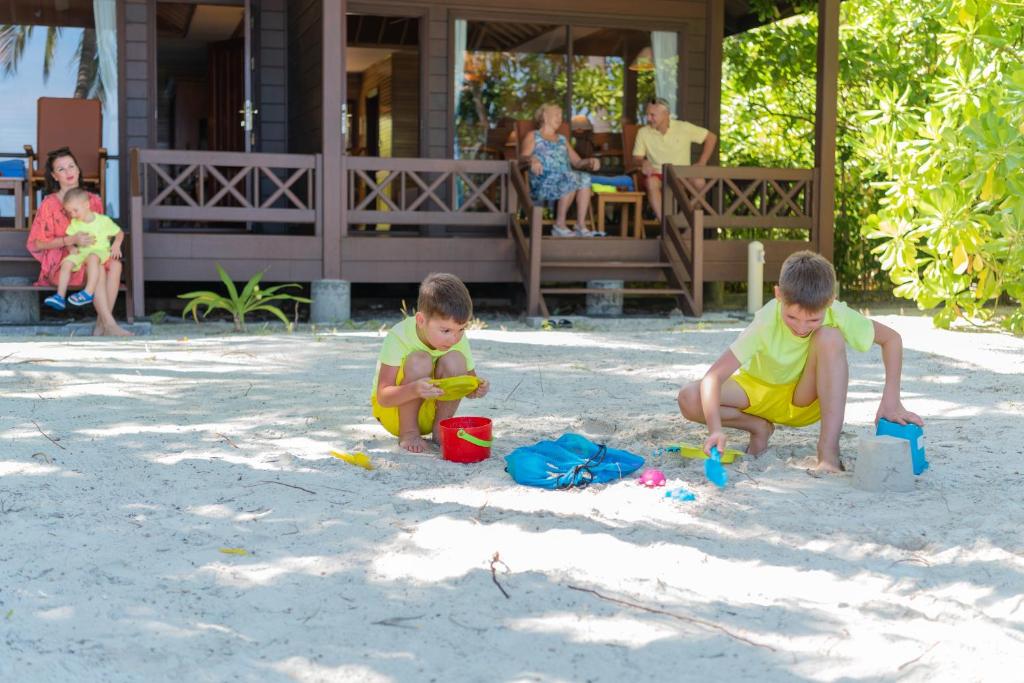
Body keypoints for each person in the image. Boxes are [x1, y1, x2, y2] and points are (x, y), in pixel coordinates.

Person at [677, 251, 922, 473]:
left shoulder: (836, 312)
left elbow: (892, 339)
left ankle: (828, 451)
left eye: (813, 320)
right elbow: (713, 377)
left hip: (805, 398)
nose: (801, 327)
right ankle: (759, 428)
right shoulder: (766, 320)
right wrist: (716, 430)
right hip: (758, 392)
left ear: (829, 301)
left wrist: (891, 400)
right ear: (778, 295)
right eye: (792, 317)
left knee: (829, 335)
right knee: (689, 397)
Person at [372, 273, 490, 453]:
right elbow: (383, 397)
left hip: (432, 412)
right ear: (421, 320)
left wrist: (477, 388)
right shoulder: (399, 336)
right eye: (446, 330)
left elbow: (468, 384)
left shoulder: (456, 338)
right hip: (395, 413)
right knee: (420, 359)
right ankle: (409, 432)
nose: (454, 338)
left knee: (456, 359)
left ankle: (441, 430)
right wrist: (414, 389)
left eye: (461, 329)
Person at [26, 147, 131, 336]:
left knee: (115, 265)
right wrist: (70, 240)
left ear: (78, 170)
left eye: (71, 166)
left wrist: (112, 244)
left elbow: (102, 231)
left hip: (92, 253)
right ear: (54, 176)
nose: (68, 172)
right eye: (61, 169)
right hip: (64, 263)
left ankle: (101, 325)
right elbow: (37, 244)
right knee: (97, 266)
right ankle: (110, 324)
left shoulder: (92, 200)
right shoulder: (49, 204)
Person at [520, 103, 601, 237]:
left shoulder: (562, 139)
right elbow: (522, 157)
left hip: (565, 177)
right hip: (543, 182)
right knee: (571, 177)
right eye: (556, 114)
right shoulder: (534, 136)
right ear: (545, 116)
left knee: (585, 177)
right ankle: (559, 225)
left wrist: (590, 161)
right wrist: (532, 158)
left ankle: (580, 225)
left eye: (561, 115)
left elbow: (577, 162)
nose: (560, 118)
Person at [632, 97, 718, 222]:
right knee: (651, 183)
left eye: (652, 115)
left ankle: (691, 227)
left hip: (682, 175)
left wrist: (702, 163)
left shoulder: (683, 127)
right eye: (647, 115)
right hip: (658, 174)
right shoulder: (643, 132)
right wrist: (643, 162)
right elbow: (636, 158)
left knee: (699, 182)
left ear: (666, 114)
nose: (648, 119)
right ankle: (665, 227)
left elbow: (711, 137)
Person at [43, 188, 124, 311]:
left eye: (75, 210)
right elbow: (69, 239)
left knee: (92, 256)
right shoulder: (75, 223)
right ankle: (60, 296)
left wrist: (116, 244)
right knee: (66, 263)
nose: (73, 215)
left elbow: (119, 233)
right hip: (82, 253)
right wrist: (71, 248)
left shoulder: (103, 221)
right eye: (70, 212)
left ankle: (88, 292)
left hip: (99, 252)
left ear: (86, 205)